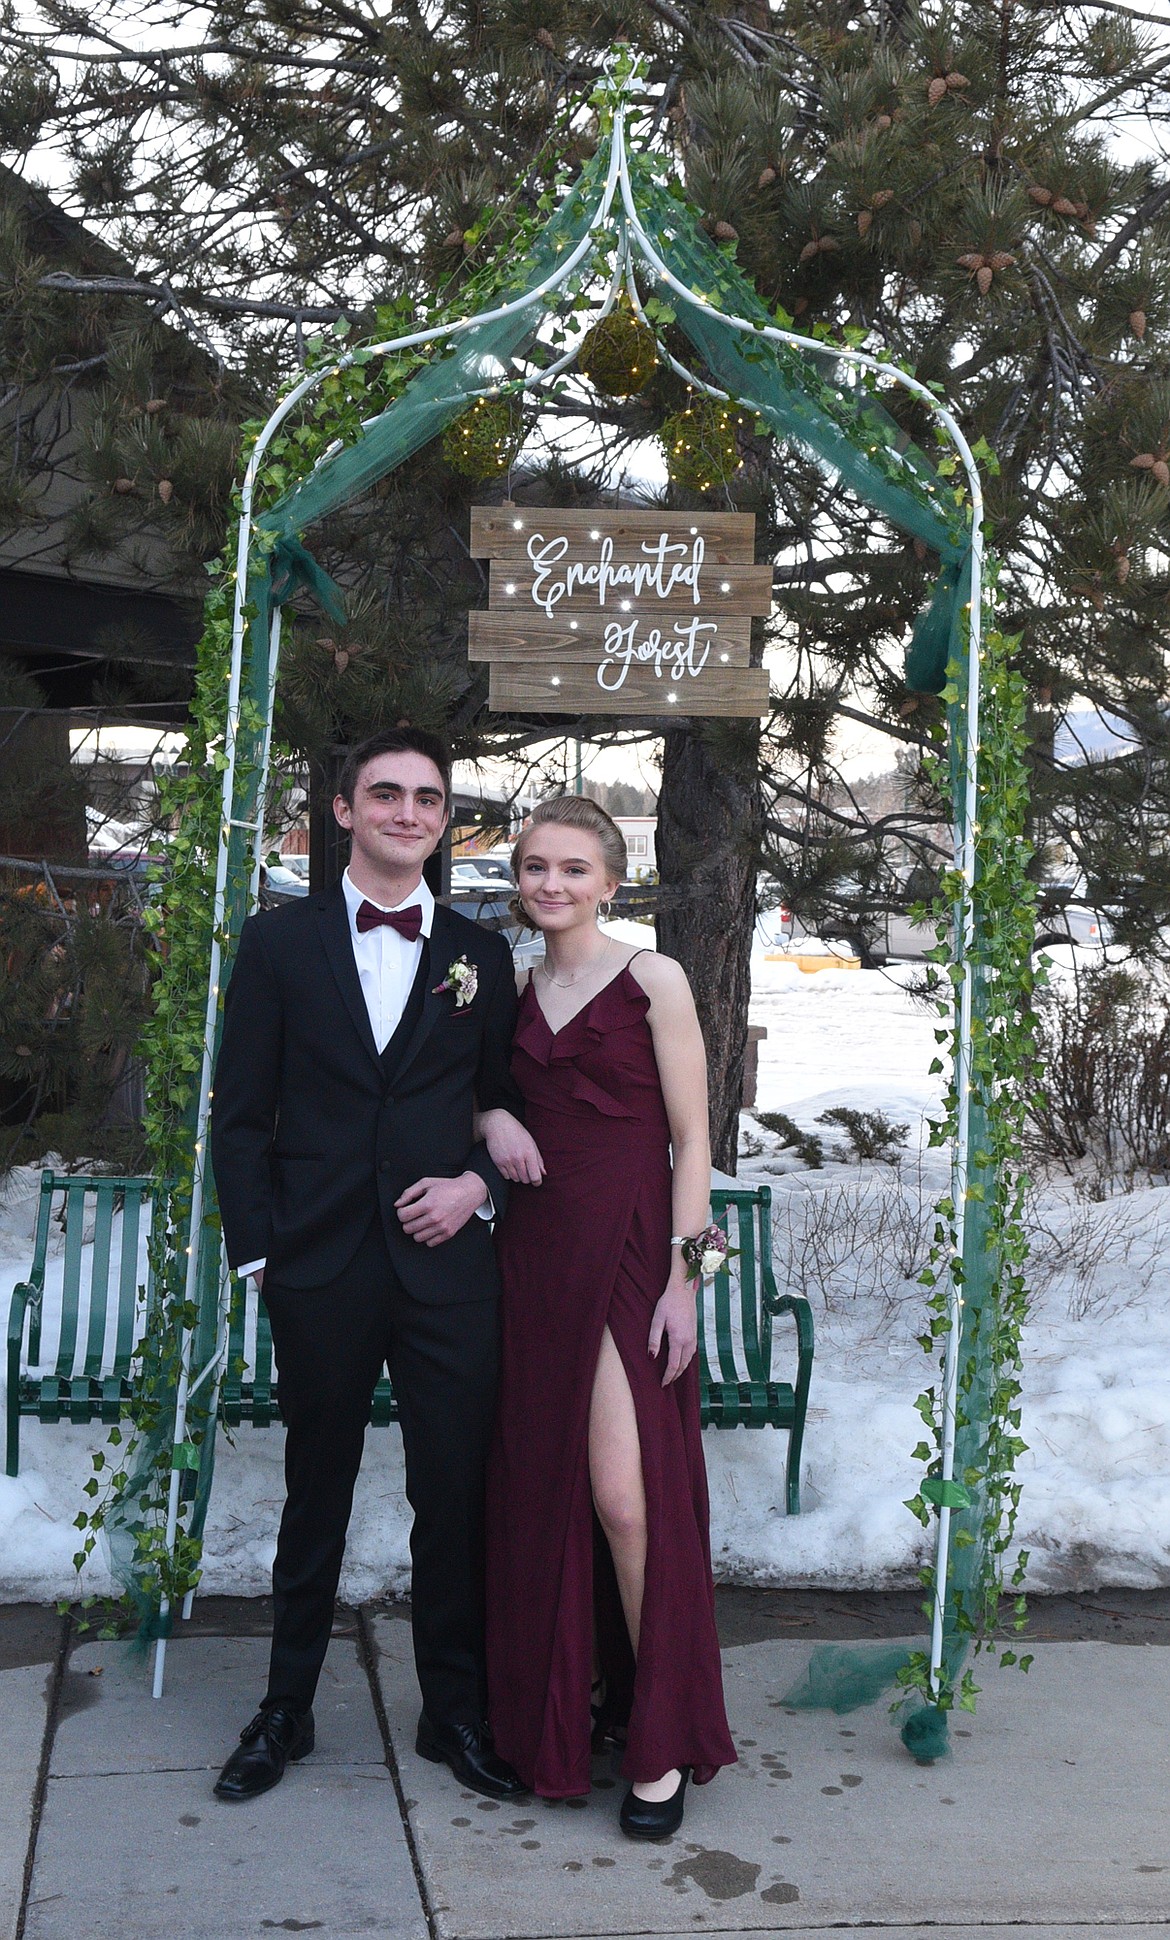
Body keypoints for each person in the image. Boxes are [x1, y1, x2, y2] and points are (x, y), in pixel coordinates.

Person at [208, 726, 529, 1806]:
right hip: (322, 1265)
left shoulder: (480, 957)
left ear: (445, 818)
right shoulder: (279, 943)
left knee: (454, 1494)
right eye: (384, 794)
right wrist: (259, 1254)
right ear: (342, 809)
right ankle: (284, 1708)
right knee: (317, 1491)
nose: (406, 812)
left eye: (427, 797)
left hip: (448, 1275)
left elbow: (506, 1103)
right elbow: (241, 1115)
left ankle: (455, 1711)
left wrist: (478, 1183)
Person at [478, 795, 735, 1840]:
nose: (551, 884)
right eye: (535, 866)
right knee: (546, 1493)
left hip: (630, 1256)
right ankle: (557, 1710)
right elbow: (465, 1090)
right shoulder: (507, 987)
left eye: (573, 868)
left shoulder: (654, 979)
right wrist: (489, 1109)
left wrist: (684, 1281)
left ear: (611, 880)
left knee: (628, 1501)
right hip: (533, 1260)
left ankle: (660, 1742)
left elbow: (694, 1140)